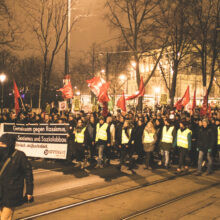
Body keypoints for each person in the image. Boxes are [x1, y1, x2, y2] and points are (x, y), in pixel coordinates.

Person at [0, 133, 34, 220]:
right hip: (1, 191)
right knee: (6, 217)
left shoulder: (20, 156)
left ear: (10, 144)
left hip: (13, 192)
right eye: (0, 143)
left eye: (3, 143)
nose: (1, 146)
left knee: (4, 218)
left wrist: (29, 191)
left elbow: (28, 174)